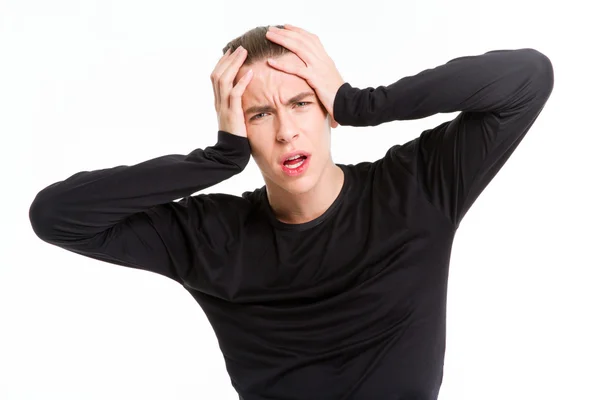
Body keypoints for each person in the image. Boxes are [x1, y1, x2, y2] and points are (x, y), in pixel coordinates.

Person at [29, 23, 554, 400]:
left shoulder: (417, 190)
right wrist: (218, 159)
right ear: (240, 128)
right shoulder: (211, 236)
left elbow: (527, 76)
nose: (285, 130)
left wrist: (362, 103)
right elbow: (56, 214)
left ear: (326, 109)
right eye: (259, 114)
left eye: (301, 103)